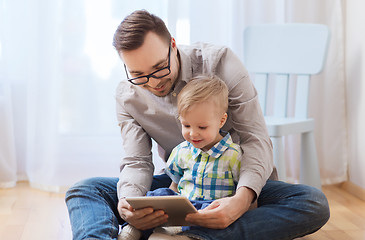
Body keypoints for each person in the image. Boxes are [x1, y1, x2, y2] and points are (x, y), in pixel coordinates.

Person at [65, 9, 330, 240]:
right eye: (139, 75)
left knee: (312, 203)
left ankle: (183, 235)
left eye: (159, 68)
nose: (153, 82)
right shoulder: (127, 96)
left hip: (236, 182)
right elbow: (137, 162)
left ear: (173, 45)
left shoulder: (221, 63)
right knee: (86, 190)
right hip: (182, 183)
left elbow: (255, 139)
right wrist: (128, 203)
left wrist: (241, 200)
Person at [120, 75, 243, 240]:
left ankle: (187, 234)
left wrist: (245, 212)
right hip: (185, 206)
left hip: (210, 210)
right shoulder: (181, 151)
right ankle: (136, 227)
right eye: (186, 125)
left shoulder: (233, 155)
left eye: (202, 126)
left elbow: (242, 194)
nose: (193, 133)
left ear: (221, 121)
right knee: (158, 194)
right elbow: (175, 184)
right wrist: (168, 204)